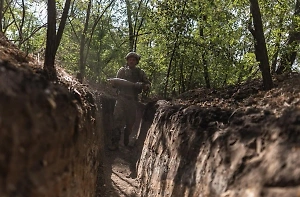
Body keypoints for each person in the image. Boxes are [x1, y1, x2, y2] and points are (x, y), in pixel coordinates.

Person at [108, 52, 151, 151]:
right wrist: (113, 83)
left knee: (130, 124)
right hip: (121, 99)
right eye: (130, 59)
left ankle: (127, 137)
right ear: (127, 61)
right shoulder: (122, 71)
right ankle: (115, 143)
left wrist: (143, 86)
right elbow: (115, 84)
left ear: (136, 62)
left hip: (133, 101)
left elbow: (147, 84)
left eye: (134, 60)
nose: (131, 61)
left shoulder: (140, 72)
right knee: (117, 120)